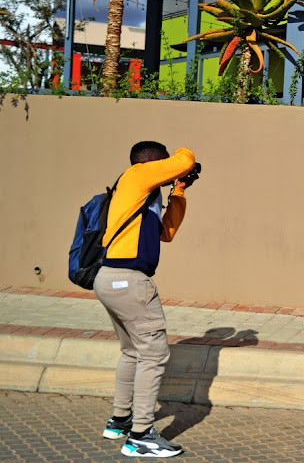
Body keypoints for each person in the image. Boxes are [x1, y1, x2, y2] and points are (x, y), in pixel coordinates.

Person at [94, 141, 199, 458]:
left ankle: (120, 421)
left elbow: (166, 232)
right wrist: (181, 161)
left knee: (131, 352)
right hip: (130, 281)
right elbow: (185, 158)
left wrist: (179, 191)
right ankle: (141, 436)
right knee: (153, 354)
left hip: (110, 278)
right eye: (163, 165)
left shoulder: (144, 196)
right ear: (152, 164)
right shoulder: (137, 175)